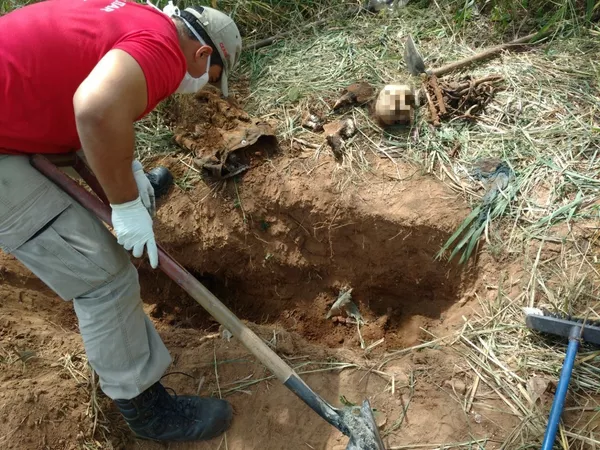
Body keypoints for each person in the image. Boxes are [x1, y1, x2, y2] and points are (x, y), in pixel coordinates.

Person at [0, 0, 242, 443]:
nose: (203, 88)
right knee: (104, 280)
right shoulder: (168, 54)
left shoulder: (142, 17)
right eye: (210, 80)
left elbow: (79, 86)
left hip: (13, 110)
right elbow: (95, 109)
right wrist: (126, 209)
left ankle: (130, 192)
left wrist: (126, 179)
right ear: (203, 56)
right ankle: (147, 411)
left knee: (118, 180)